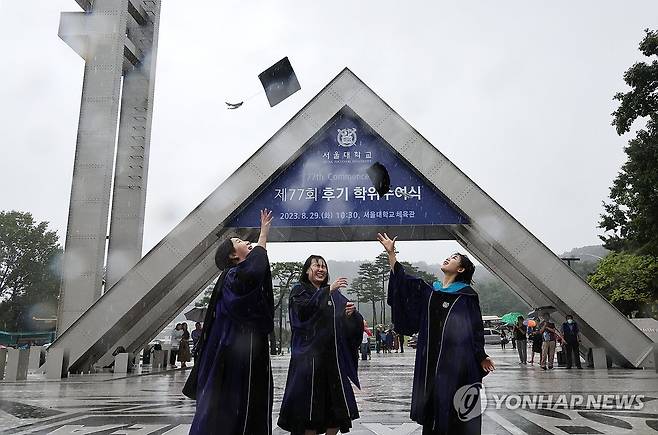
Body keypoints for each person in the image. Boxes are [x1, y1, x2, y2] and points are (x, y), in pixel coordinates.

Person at [378, 233, 495, 435]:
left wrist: (481, 355)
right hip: (430, 361)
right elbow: (403, 282)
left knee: (454, 410)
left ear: (460, 269)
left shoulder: (467, 296)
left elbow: (475, 328)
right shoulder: (431, 291)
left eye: (455, 258)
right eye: (450, 256)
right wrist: (391, 253)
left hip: (456, 364)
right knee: (432, 409)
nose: (449, 258)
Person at [187, 209, 275, 435]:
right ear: (233, 256)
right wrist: (263, 234)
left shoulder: (235, 277)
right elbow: (255, 271)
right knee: (232, 411)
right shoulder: (233, 277)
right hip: (235, 356)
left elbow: (256, 271)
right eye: (239, 241)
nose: (246, 242)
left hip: (243, 353)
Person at [278, 255, 363, 435]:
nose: (321, 269)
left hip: (332, 365)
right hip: (309, 364)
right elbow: (303, 315)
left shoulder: (334, 295)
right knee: (309, 414)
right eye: (316, 265)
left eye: (324, 266)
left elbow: (349, 327)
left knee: (336, 412)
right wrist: (327, 292)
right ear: (307, 270)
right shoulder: (299, 291)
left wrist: (351, 315)